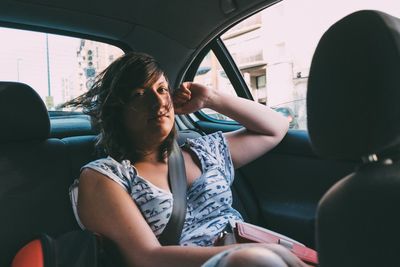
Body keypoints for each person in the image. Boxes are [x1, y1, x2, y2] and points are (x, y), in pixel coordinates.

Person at [64, 52, 305, 267]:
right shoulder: (105, 176)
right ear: (117, 111)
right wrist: (252, 252)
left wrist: (211, 98)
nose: (158, 102)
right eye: (139, 94)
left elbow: (276, 127)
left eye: (162, 89)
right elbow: (147, 258)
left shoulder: (204, 150)